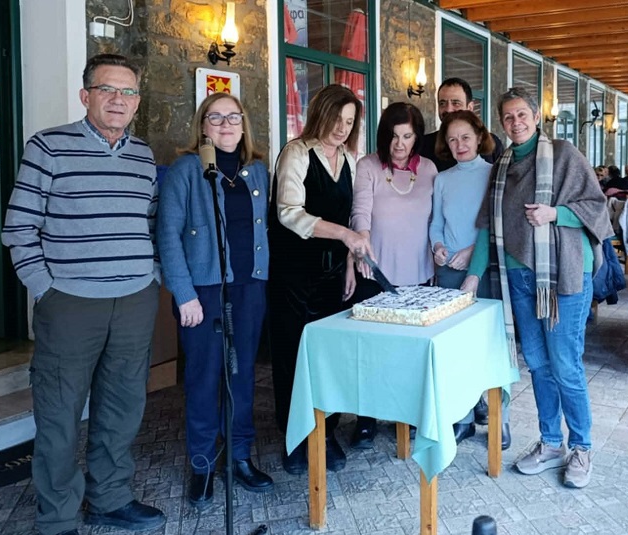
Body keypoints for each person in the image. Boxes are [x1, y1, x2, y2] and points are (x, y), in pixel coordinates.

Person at [1, 53, 165, 535]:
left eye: (128, 92)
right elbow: (19, 228)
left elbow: (151, 222)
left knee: (122, 408)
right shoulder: (48, 147)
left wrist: (152, 274)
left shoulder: (144, 155)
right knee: (59, 416)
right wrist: (46, 288)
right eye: (107, 89)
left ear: (137, 102)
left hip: (134, 301)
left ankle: (110, 499)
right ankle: (57, 521)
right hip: (69, 303)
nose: (118, 100)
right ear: (85, 95)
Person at [461, 87, 612, 489]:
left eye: (522, 115)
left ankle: (581, 446)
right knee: (538, 364)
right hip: (519, 278)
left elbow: (596, 208)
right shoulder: (501, 166)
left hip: (563, 275)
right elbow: (487, 225)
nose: (516, 122)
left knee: (564, 363)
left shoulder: (564, 155)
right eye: (508, 117)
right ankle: (550, 442)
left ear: (535, 116)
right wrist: (473, 276)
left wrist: (555, 213)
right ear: (502, 122)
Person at [157, 92, 273, 508]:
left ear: (244, 124)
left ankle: (239, 456)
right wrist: (184, 295)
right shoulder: (187, 170)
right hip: (203, 291)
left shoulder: (257, 170)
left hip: (249, 288)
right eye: (216, 117)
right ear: (202, 126)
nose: (226, 125)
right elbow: (167, 235)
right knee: (204, 378)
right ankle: (203, 464)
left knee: (241, 376)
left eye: (233, 117)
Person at [268, 84, 371, 475]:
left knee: (329, 356)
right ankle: (295, 437)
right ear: (321, 115)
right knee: (294, 357)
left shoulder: (348, 159)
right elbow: (289, 213)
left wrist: (349, 262)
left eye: (350, 121)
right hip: (293, 274)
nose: (342, 128)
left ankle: (325, 433)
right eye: (337, 119)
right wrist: (345, 235)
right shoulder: (296, 153)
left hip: (332, 274)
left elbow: (349, 218)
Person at [349, 102, 439, 448]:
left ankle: (408, 414)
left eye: (407, 136)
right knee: (370, 351)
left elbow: (436, 220)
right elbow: (360, 211)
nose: (399, 144)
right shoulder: (368, 166)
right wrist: (362, 240)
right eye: (393, 136)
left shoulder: (429, 169)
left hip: (418, 274)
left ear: (417, 137)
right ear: (383, 135)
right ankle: (366, 419)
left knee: (409, 353)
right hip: (376, 273)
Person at [428, 109, 510, 448]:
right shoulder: (442, 179)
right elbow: (436, 223)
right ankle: (462, 418)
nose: (459, 144)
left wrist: (472, 251)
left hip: (486, 270)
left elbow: (498, 227)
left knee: (493, 346)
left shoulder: (495, 174)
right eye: (452, 139)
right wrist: (437, 246)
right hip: (449, 272)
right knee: (456, 348)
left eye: (465, 137)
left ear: (479, 137)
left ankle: (501, 419)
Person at [418, 77, 504, 172]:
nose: (448, 109)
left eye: (456, 103)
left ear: (470, 107)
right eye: (442, 103)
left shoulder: (492, 144)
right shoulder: (423, 145)